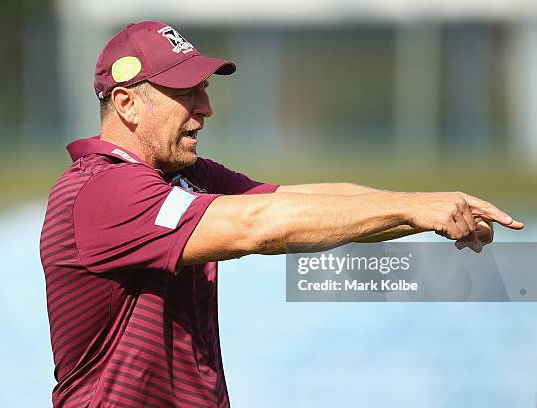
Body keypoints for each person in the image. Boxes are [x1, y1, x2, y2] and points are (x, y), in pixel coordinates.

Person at [39, 20, 524, 407]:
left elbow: (298, 202)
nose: (206, 108)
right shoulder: (103, 190)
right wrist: (411, 209)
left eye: (204, 89)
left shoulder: (182, 175)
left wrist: (424, 209)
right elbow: (260, 227)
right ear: (126, 103)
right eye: (187, 93)